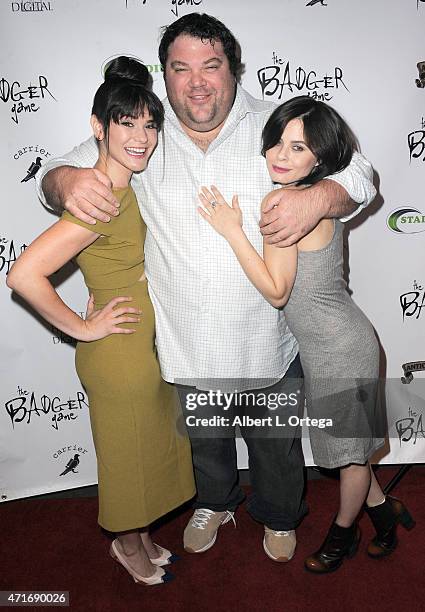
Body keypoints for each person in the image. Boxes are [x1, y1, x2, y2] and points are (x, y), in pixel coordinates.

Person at [36, 13, 376, 562]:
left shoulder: (278, 124)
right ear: (163, 74)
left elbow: (359, 174)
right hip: (187, 341)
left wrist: (316, 197)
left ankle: (279, 515)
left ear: (234, 70)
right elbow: (55, 175)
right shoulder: (142, 132)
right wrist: (68, 180)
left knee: (277, 453)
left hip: (269, 336)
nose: (196, 81)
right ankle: (215, 503)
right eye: (180, 68)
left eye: (210, 66)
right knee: (208, 450)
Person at [197, 95, 415, 573]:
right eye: (276, 142)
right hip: (335, 345)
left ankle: (342, 535)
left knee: (347, 459)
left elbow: (276, 292)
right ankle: (384, 513)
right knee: (348, 449)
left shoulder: (286, 201)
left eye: (297, 148)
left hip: (339, 350)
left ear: (321, 158)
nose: (280, 154)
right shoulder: (310, 193)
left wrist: (231, 229)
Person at [7, 56, 195, 586]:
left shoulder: (126, 184)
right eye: (126, 124)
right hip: (119, 351)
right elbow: (23, 275)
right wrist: (83, 327)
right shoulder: (100, 197)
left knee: (140, 453)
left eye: (149, 124)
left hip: (141, 341)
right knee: (126, 460)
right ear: (98, 128)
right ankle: (125, 547)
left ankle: (139, 538)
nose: (141, 137)